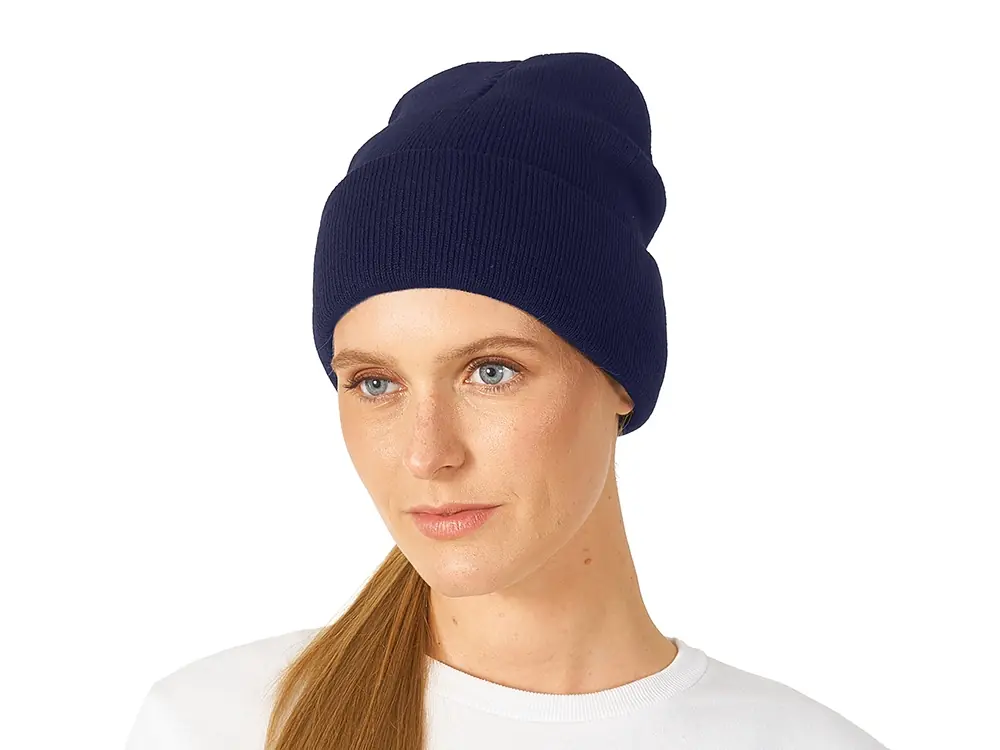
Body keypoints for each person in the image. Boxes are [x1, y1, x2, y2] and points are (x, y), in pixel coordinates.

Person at [125, 51, 889, 749]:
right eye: (376, 383)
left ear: (621, 378)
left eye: (490, 372)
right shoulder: (215, 725)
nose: (428, 454)